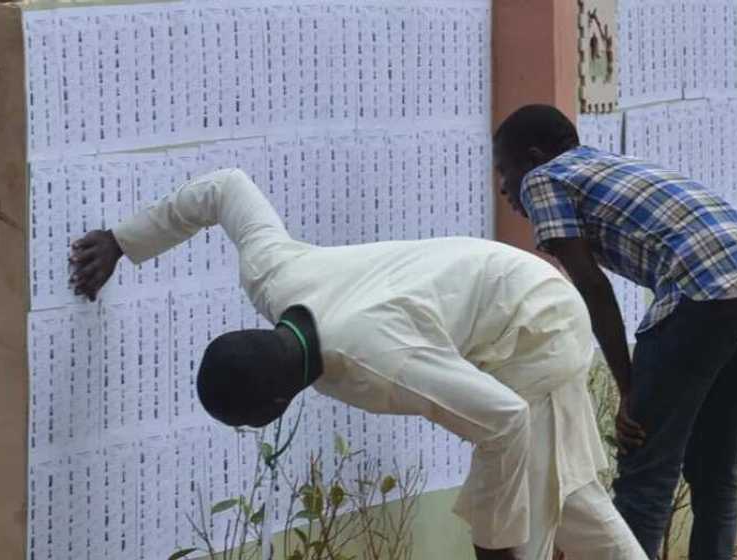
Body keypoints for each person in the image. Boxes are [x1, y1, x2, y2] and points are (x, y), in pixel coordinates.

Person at [68, 168, 646, 560]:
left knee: (530, 506)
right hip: (512, 291)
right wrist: (121, 241)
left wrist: (492, 548)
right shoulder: (275, 277)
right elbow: (226, 188)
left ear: (276, 410)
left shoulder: (377, 360)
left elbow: (506, 420)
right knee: (564, 489)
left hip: (536, 327)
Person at [493, 104, 737, 559]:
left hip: (704, 287)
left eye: (504, 169)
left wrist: (627, 387)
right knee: (715, 466)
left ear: (533, 157)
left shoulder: (543, 179)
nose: (503, 187)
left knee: (645, 467)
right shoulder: (603, 164)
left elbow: (592, 287)